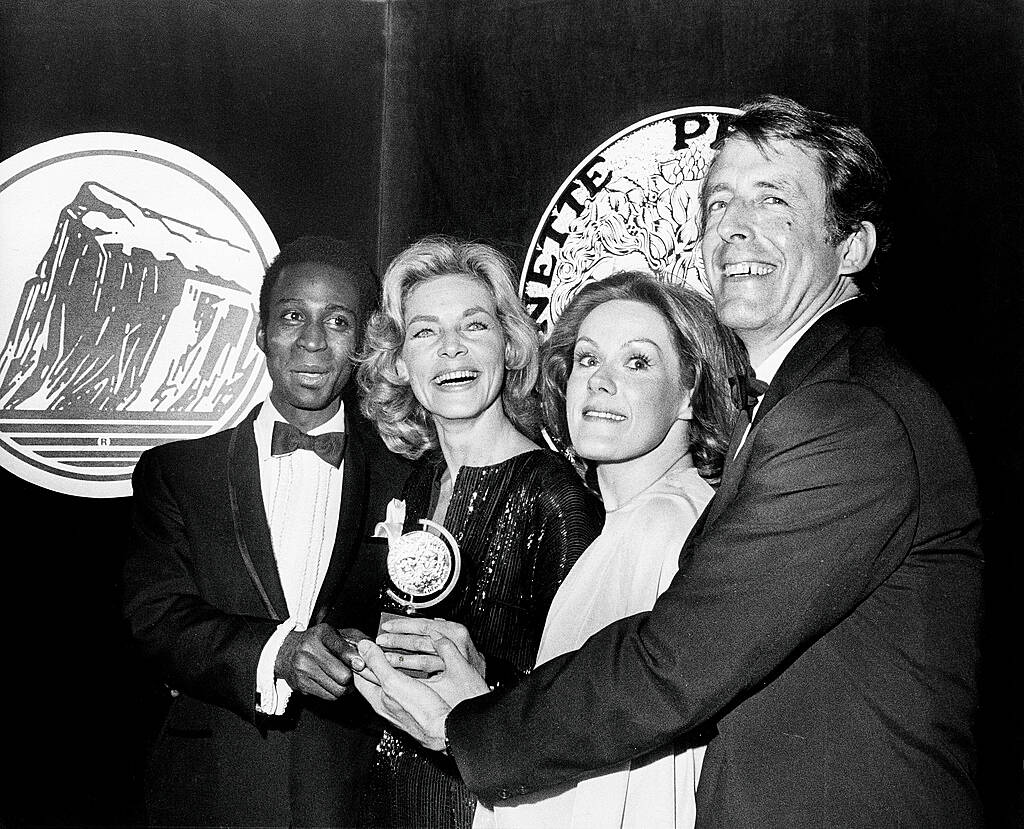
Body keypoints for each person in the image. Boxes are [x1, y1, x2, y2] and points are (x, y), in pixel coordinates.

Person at [353, 95, 985, 826]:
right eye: (718, 202)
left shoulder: (846, 415)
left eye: (773, 199)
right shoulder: (810, 399)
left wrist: (468, 722)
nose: (734, 226)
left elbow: (673, 663)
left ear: (852, 249)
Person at [123, 236, 411, 827]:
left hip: (355, 793)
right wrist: (275, 653)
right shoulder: (178, 471)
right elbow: (153, 615)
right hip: (209, 789)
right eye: (292, 316)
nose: (312, 340)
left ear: (361, 342)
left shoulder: (408, 475)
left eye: (337, 320)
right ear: (260, 332)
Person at [464, 271, 742, 828]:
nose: (600, 382)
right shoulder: (641, 522)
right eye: (587, 360)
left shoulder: (661, 529)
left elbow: (605, 782)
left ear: (689, 393)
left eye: (637, 362)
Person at [354, 235, 604, 829]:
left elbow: (587, 707)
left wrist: (482, 682)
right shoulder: (422, 482)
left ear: (510, 345)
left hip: (494, 807)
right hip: (398, 797)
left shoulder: (554, 495)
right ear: (397, 362)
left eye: (474, 326)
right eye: (424, 332)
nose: (450, 349)